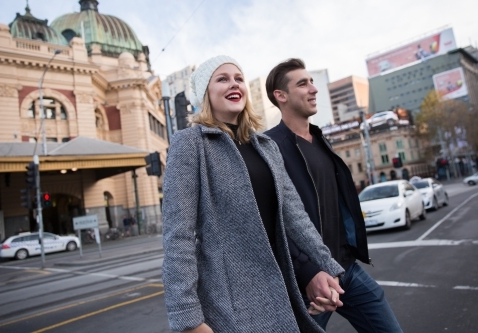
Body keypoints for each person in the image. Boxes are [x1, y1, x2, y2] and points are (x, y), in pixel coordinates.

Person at [162, 55, 345, 333]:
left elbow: (295, 216)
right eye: (222, 79)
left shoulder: (265, 145)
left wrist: (327, 265)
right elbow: (178, 236)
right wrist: (188, 319)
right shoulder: (190, 144)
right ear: (205, 94)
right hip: (231, 301)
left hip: (281, 287)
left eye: (238, 78)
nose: (233, 84)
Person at [265, 58, 403, 332]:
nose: (313, 89)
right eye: (303, 84)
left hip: (346, 269)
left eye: (312, 82)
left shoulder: (321, 139)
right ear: (280, 96)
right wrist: (307, 272)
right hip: (310, 282)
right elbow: (270, 222)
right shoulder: (269, 148)